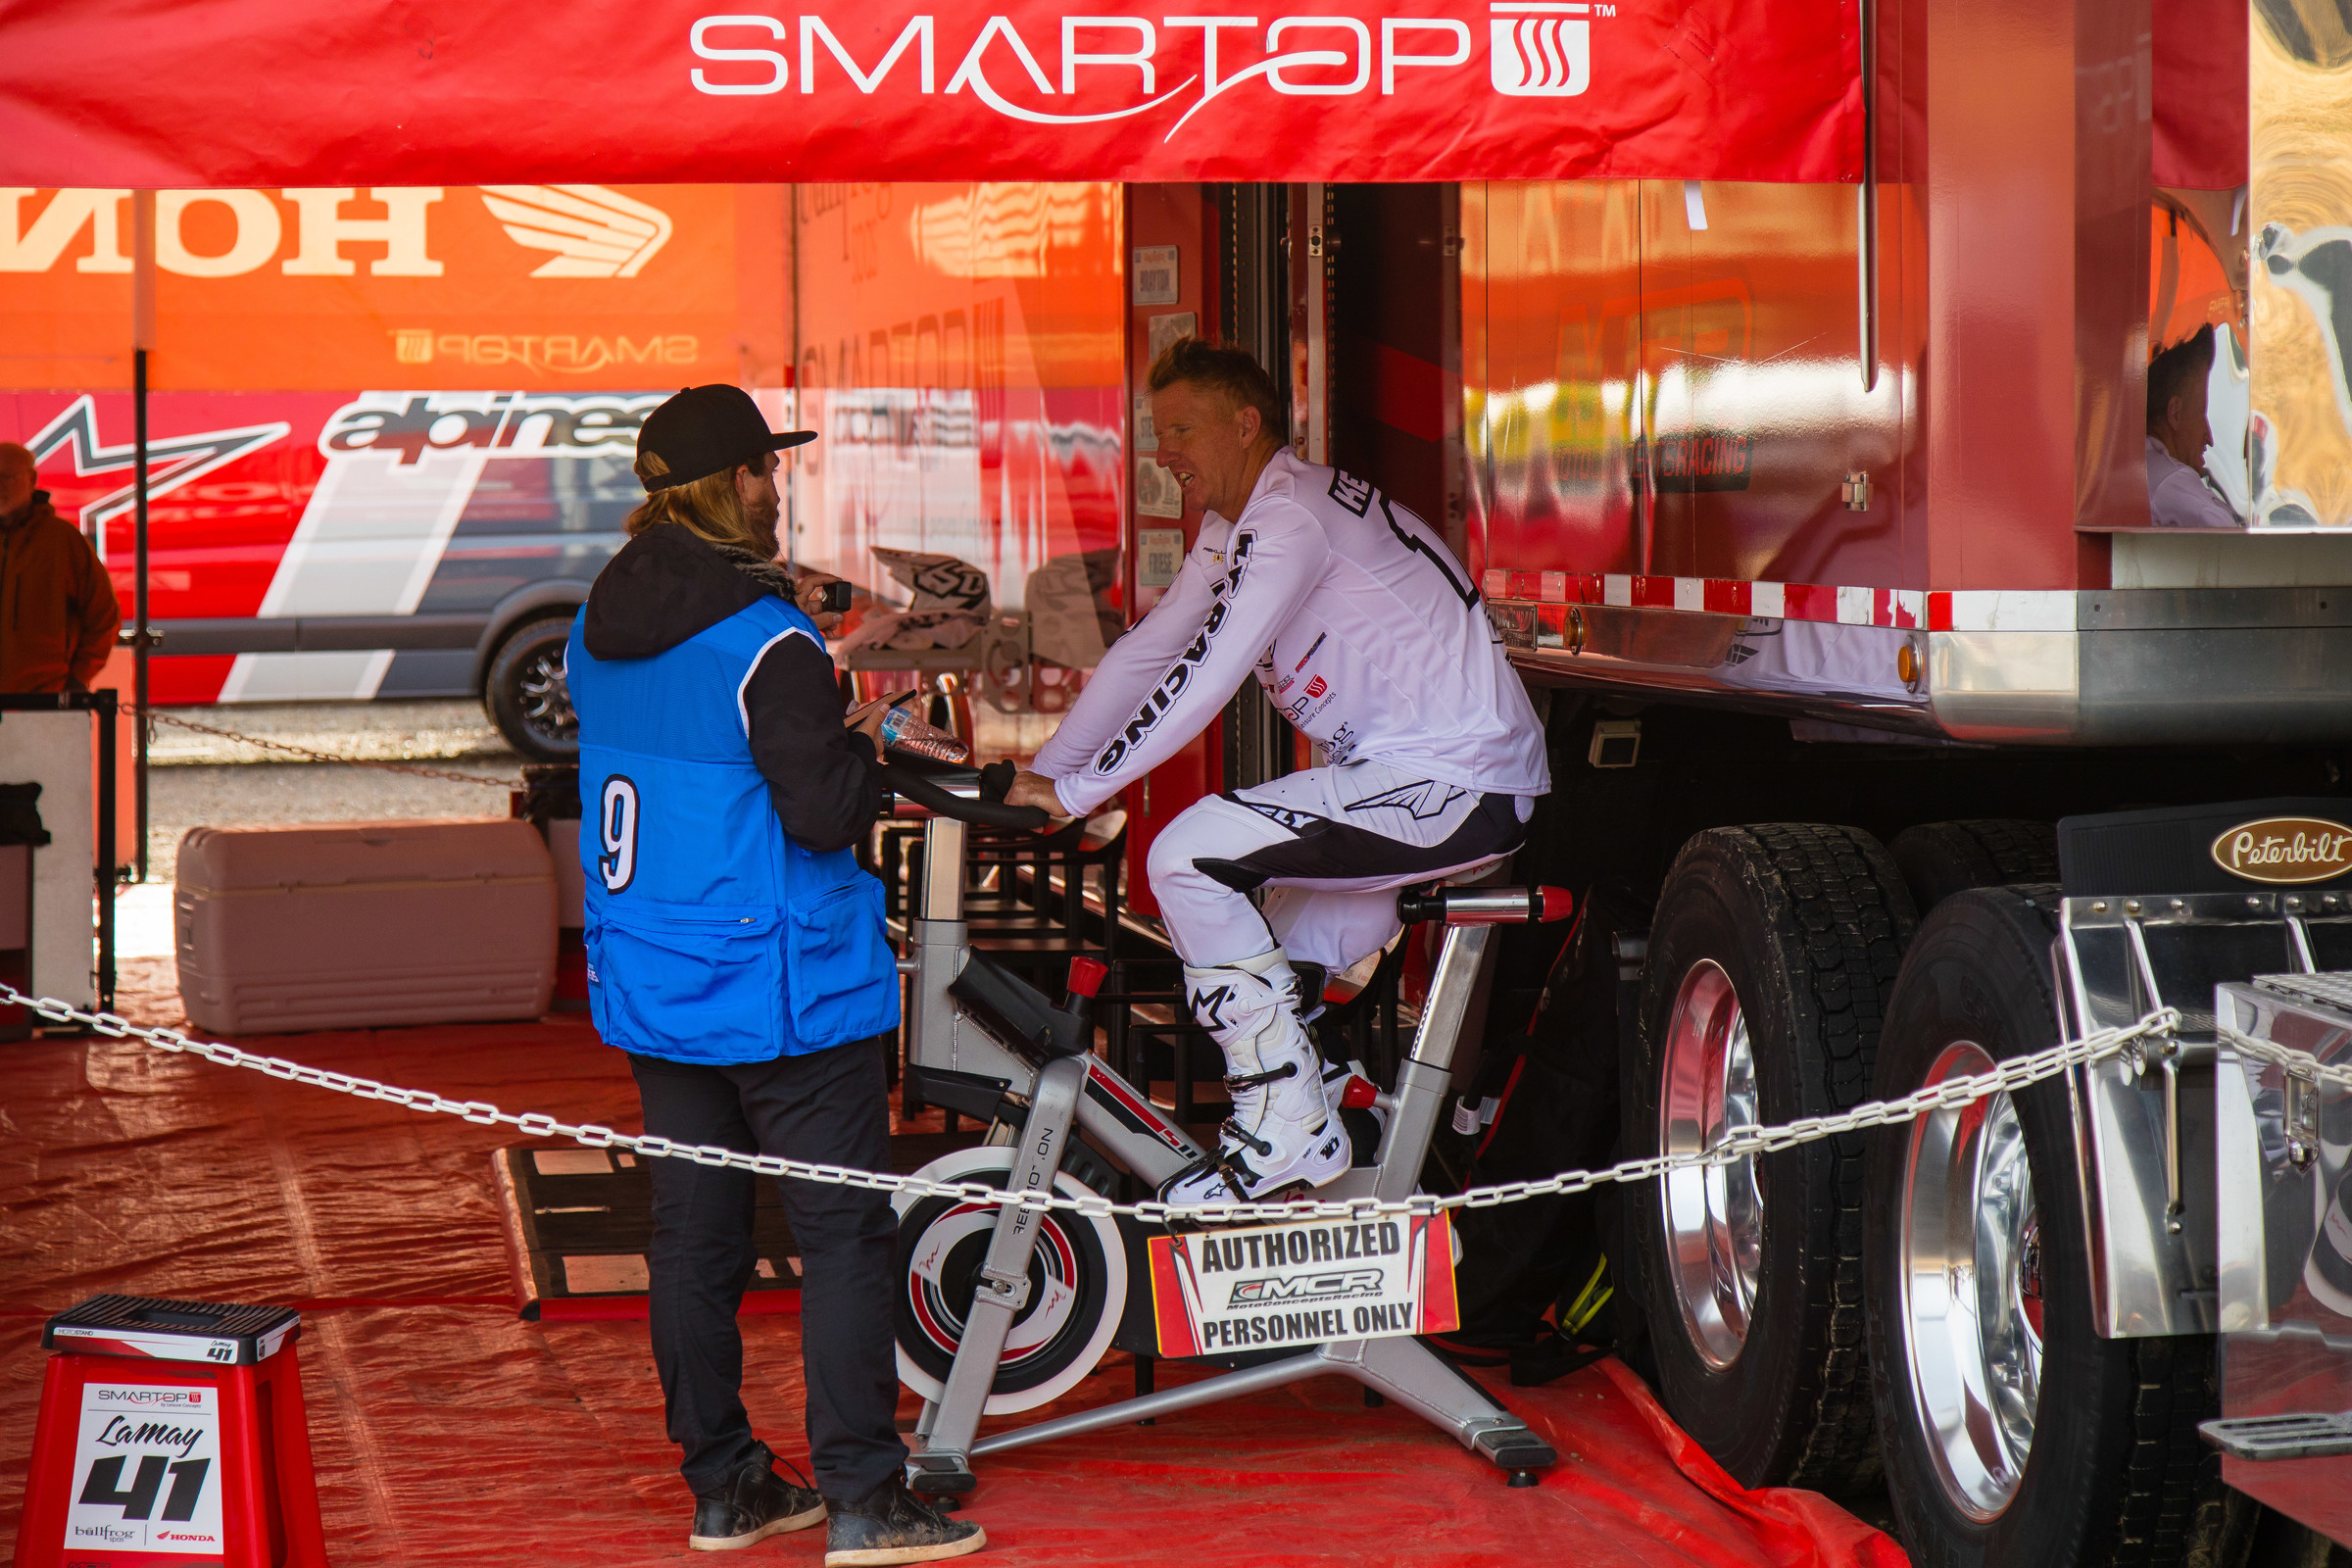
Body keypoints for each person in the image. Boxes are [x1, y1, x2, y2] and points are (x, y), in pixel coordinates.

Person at [566, 384, 984, 1565]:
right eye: (766, 471)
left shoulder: (596, 623)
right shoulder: (768, 642)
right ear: (732, 484)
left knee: (692, 1246)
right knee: (842, 1239)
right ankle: (864, 1497)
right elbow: (823, 812)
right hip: (786, 987)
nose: (778, 486)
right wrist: (875, 738)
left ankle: (725, 1488)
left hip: (658, 980)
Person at [1003, 340, 1550, 1203]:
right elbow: (1151, 650)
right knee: (1270, 965)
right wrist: (1044, 776)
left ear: (1245, 423)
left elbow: (1208, 673)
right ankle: (1326, 1111)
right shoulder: (1243, 525)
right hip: (1428, 779)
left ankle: (1291, 1125)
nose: (1163, 452)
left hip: (1455, 781)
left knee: (1184, 858)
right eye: (1158, 431)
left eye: (1181, 428)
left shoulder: (1288, 519)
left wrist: (1076, 793)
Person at [0, 441, 121, 693]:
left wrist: (78, 679)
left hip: (47, 699)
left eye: (6, 477)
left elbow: (103, 616)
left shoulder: (62, 540)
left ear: (31, 479)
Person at [2146, 330, 2240, 529]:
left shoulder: (2139, 469)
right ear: (2175, 414)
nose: (2210, 437)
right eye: (2201, 412)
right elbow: (2232, 538)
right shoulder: (2171, 480)